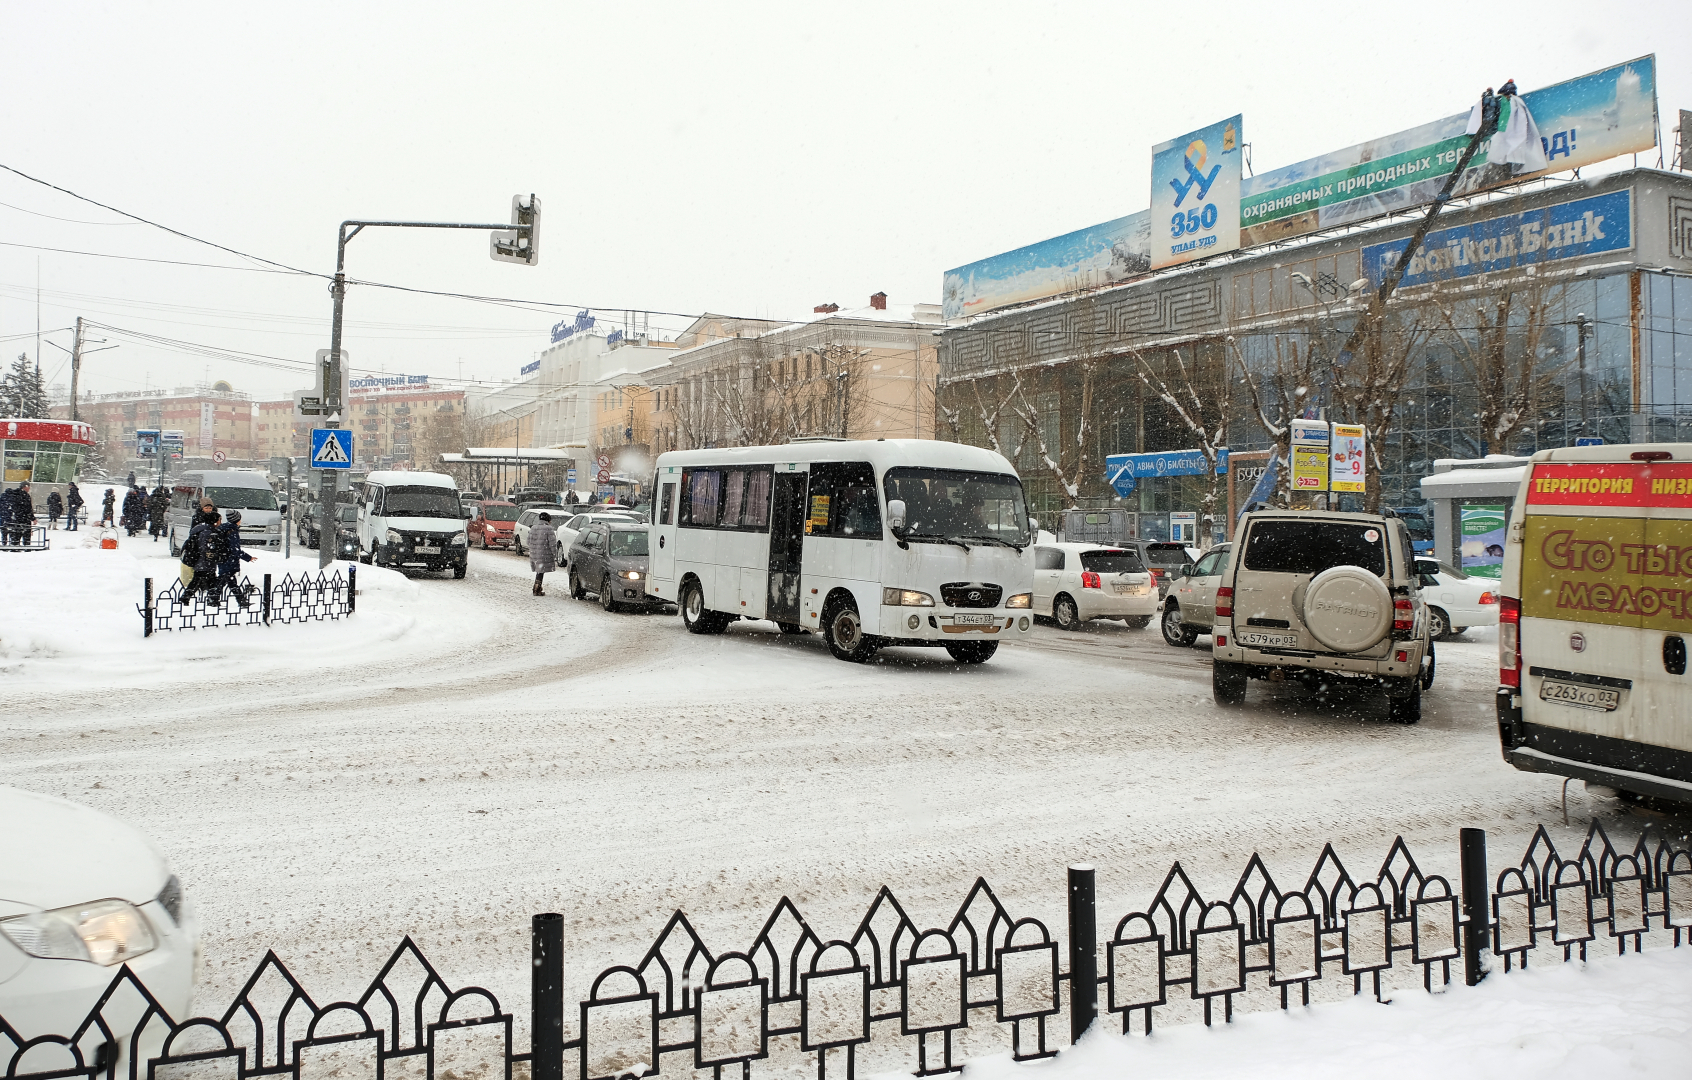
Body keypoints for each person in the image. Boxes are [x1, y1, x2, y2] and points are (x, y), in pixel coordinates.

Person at [177, 508, 226, 606]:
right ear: (215, 522)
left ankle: (186, 597)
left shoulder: (201, 530)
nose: (221, 522)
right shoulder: (208, 532)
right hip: (204, 561)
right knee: (210, 580)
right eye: (219, 520)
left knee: (198, 580)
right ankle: (212, 600)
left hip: (201, 561)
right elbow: (205, 548)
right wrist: (213, 554)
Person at [213, 509, 257, 608]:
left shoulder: (223, 528)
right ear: (237, 520)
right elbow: (235, 549)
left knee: (229, 581)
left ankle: (240, 601)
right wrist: (248, 558)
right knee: (226, 581)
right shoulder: (232, 531)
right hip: (229, 560)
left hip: (223, 559)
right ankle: (214, 598)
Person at [528, 511, 557, 596]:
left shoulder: (533, 528)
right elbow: (552, 543)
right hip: (544, 554)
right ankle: (537, 588)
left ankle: (537, 587)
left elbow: (528, 541)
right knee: (540, 571)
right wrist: (554, 554)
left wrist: (534, 548)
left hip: (534, 553)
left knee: (539, 570)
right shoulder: (549, 529)